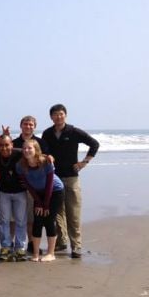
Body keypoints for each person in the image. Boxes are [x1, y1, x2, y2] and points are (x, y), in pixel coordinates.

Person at [42, 104, 99, 258]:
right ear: (51, 117)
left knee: (73, 212)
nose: (58, 117)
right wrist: (47, 156)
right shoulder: (47, 133)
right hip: (54, 177)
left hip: (72, 177)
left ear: (65, 115)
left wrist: (84, 162)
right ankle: (62, 241)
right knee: (57, 212)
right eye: (55, 114)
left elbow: (94, 144)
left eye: (61, 114)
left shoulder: (73, 131)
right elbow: (43, 150)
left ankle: (77, 246)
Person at [16, 140, 64, 262]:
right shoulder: (20, 165)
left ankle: (51, 253)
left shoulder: (46, 162)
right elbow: (28, 186)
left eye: (30, 148)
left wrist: (46, 205)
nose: (27, 150)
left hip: (55, 191)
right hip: (37, 193)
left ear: (36, 150)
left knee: (49, 220)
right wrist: (38, 202)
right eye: (24, 148)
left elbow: (49, 185)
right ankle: (36, 254)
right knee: (37, 221)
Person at [0, 135, 28, 261]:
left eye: (7, 145)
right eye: (1, 145)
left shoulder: (20, 153)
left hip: (20, 192)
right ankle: (6, 247)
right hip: (3, 192)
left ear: (12, 145)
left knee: (20, 221)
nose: (4, 148)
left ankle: (20, 248)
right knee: (4, 221)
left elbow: (36, 155)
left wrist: (49, 158)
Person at [12, 115, 48, 253]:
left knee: (33, 217)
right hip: (17, 185)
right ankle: (18, 244)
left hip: (35, 185)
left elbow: (46, 159)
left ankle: (32, 243)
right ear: (21, 126)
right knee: (18, 218)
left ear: (34, 126)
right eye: (25, 124)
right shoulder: (14, 142)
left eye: (31, 124)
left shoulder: (40, 142)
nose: (28, 126)